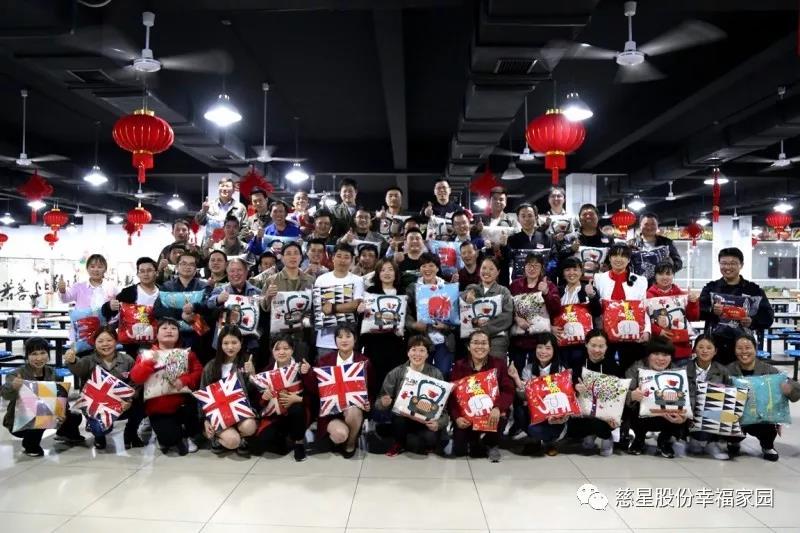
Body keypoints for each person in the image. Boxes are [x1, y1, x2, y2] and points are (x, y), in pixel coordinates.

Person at [130, 318, 203, 455]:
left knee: (194, 425)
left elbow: (198, 372)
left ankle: (186, 434)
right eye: (164, 328)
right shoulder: (146, 355)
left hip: (184, 404)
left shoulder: (187, 354)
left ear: (179, 334)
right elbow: (136, 377)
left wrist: (184, 380)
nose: (169, 331)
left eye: (173, 328)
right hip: (158, 407)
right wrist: (149, 363)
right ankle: (169, 434)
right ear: (156, 334)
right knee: (169, 439)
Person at [64, 326, 145, 450]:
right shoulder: (88, 360)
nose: (105, 344)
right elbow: (78, 368)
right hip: (97, 407)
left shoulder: (127, 360)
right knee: (100, 429)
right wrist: (72, 360)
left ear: (116, 341)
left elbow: (135, 382)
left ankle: (131, 432)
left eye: (109, 340)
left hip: (122, 404)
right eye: (100, 341)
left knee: (142, 404)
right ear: (94, 343)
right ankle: (98, 436)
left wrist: (129, 400)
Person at [1, 337, 84, 457]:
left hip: (47, 413)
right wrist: (13, 386)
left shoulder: (53, 373)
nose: (39, 358)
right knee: (39, 419)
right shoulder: (17, 374)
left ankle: (64, 434)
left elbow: (59, 397)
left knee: (75, 417)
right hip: (21, 421)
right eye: (34, 354)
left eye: (42, 353)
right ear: (27, 356)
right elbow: (5, 394)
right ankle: (30, 445)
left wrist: (62, 413)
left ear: (48, 354)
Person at [726, 334, 800, 461]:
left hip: (762, 419)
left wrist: (790, 389)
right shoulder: (728, 370)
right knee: (727, 422)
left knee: (768, 429)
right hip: (736, 418)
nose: (744, 351)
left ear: (755, 349)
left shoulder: (769, 370)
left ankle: (767, 446)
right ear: (734, 350)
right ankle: (733, 441)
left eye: (748, 347)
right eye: (739, 348)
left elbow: (795, 388)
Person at [302, 325, 373, 458]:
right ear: (335, 341)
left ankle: (351, 443)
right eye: (340, 337)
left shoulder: (364, 362)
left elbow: (370, 388)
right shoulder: (324, 361)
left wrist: (368, 403)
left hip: (353, 409)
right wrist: (307, 373)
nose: (344, 340)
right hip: (331, 412)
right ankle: (341, 438)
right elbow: (315, 390)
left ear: (355, 339)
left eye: (348, 336)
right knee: (340, 435)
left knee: (354, 411)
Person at [376, 335, 449, 456]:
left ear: (427, 354)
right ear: (408, 353)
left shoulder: (436, 374)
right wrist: (383, 403)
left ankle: (408, 439)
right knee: (406, 432)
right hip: (402, 420)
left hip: (425, 421)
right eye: (414, 350)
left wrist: (439, 423)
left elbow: (444, 410)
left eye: (422, 350)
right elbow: (379, 404)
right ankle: (399, 442)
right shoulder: (396, 373)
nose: (417, 354)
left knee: (429, 440)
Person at [699, 247, 774, 366]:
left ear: (741, 265)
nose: (727, 267)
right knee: (715, 376)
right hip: (714, 346)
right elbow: (699, 312)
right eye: (724, 263)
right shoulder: (711, 288)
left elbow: (768, 317)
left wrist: (752, 321)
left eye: (733, 263)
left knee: (742, 376)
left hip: (743, 347)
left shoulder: (753, 289)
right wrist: (712, 310)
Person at [449, 330, 515, 462]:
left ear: (490, 347)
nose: (480, 346)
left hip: (491, 413)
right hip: (467, 414)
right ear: (469, 346)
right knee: (459, 450)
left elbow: (508, 390)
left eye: (484, 343)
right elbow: (452, 395)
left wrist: (498, 407)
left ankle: (492, 444)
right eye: (475, 343)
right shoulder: (459, 365)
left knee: (501, 415)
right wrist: (457, 417)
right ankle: (475, 440)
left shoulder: (499, 364)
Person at [199, 325, 258, 457]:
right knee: (232, 441)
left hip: (240, 411)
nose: (230, 347)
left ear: (241, 342)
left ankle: (241, 437)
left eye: (234, 342)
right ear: (220, 344)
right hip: (218, 414)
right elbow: (203, 395)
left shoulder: (246, 363)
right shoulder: (211, 366)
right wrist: (205, 420)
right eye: (225, 343)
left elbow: (254, 392)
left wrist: (253, 374)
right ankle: (218, 439)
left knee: (249, 426)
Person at [507, 333, 568, 456]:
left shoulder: (561, 371)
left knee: (538, 428)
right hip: (535, 412)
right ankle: (534, 441)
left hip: (554, 416)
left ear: (554, 351)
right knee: (520, 410)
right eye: (540, 347)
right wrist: (516, 377)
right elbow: (524, 394)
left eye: (548, 348)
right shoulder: (528, 369)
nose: (543, 351)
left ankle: (550, 442)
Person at [626, 338, 687, 459]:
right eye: (656, 353)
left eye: (665, 355)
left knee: (681, 411)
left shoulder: (678, 373)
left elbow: (689, 399)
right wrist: (631, 395)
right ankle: (639, 439)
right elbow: (622, 393)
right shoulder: (636, 368)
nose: (660, 358)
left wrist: (684, 417)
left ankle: (664, 440)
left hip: (667, 416)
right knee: (630, 407)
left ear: (671, 357)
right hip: (640, 415)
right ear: (648, 355)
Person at [593, 243, 651, 372]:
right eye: (615, 255)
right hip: (605, 334)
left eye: (623, 256)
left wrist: (647, 330)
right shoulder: (599, 278)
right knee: (607, 370)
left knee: (630, 369)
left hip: (632, 334)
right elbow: (596, 307)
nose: (618, 259)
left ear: (629, 259)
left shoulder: (640, 281)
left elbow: (643, 308)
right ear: (609, 258)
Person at [251, 335, 309, 461]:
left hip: (299, 413)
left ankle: (299, 442)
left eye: (286, 348)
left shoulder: (301, 368)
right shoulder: (267, 371)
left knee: (297, 409)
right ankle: (286, 437)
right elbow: (258, 403)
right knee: (264, 443)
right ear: (272, 351)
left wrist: (298, 399)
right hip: (276, 415)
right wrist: (264, 397)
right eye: (277, 349)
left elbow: (314, 396)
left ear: (292, 350)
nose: (281, 352)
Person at [568, 329, 623, 457]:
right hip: (583, 410)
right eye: (593, 345)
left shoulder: (613, 367)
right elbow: (568, 388)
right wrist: (575, 388)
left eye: (601, 346)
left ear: (607, 347)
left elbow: (620, 395)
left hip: (605, 412)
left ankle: (607, 437)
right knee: (571, 427)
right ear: (586, 344)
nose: (597, 350)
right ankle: (590, 434)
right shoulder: (578, 363)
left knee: (601, 423)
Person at [405, 253, 456, 378]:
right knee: (420, 375)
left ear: (437, 268)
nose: (427, 269)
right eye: (424, 266)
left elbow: (455, 316)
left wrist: (446, 326)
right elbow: (405, 313)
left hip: (444, 340)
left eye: (431, 265)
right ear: (419, 269)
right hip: (421, 339)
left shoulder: (448, 287)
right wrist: (413, 324)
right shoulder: (412, 288)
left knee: (443, 374)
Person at [361, 260, 407, 397]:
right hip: (374, 344)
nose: (387, 273)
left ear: (396, 273)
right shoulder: (371, 291)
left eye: (390, 269)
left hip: (396, 344)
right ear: (377, 273)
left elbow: (406, 317)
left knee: (395, 379)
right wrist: (361, 310)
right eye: (383, 270)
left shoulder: (402, 292)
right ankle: (377, 407)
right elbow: (365, 319)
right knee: (376, 379)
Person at [262, 242, 315, 361]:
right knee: (279, 369)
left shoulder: (310, 280)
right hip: (279, 337)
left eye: (296, 253)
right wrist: (268, 296)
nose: (293, 257)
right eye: (288, 254)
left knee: (301, 368)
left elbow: (314, 307)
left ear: (301, 257)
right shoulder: (272, 280)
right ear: (282, 257)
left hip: (302, 335)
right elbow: (264, 307)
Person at [509, 253, 560, 374]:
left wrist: (546, 293)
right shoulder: (514, 285)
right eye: (529, 265)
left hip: (540, 342)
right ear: (524, 267)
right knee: (516, 373)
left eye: (536, 266)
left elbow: (556, 309)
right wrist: (516, 318)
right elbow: (507, 308)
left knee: (537, 376)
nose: (532, 268)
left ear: (542, 268)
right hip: (518, 339)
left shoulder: (549, 285)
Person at [100, 257, 160, 357]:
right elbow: (108, 312)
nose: (146, 274)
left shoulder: (163, 292)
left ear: (156, 273)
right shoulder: (128, 293)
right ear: (138, 274)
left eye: (149, 270)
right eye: (142, 271)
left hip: (158, 342)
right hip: (132, 343)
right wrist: (109, 306)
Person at [312, 244, 364, 357]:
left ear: (352, 260)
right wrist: (344, 306)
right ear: (333, 258)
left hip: (349, 340)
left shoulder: (357, 280)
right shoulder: (321, 279)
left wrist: (333, 308)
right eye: (339, 256)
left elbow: (356, 304)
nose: (342, 260)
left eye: (346, 257)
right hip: (325, 341)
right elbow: (319, 307)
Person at [685, 334, 731, 460]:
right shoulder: (684, 369)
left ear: (715, 351)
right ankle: (691, 438)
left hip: (713, 413)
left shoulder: (723, 371)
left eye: (709, 348)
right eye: (701, 347)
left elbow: (730, 394)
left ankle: (712, 442)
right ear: (694, 349)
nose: (704, 351)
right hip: (689, 413)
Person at [207, 257, 267, 354]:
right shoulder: (220, 290)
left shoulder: (257, 292)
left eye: (239, 270)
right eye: (232, 271)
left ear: (246, 272)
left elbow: (264, 317)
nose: (235, 274)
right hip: (225, 342)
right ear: (227, 273)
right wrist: (218, 299)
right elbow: (209, 304)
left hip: (250, 342)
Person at [646, 262, 699, 366]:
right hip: (658, 350)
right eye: (661, 274)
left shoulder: (682, 295)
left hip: (681, 349)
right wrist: (657, 330)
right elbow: (643, 320)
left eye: (668, 274)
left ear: (673, 275)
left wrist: (693, 303)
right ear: (655, 276)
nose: (665, 277)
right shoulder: (647, 296)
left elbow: (693, 317)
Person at [461, 257, 514, 359]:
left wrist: (482, 329)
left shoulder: (504, 291)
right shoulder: (471, 289)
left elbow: (507, 317)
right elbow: (461, 308)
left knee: (495, 364)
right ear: (479, 270)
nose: (487, 271)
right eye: (484, 268)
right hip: (473, 338)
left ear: (498, 272)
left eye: (491, 269)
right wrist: (466, 298)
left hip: (497, 339)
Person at [555, 203, 613, 270]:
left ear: (598, 217)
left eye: (591, 214)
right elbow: (559, 258)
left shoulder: (608, 239)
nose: (588, 216)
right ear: (579, 219)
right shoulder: (569, 238)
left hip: (601, 275)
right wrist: (571, 249)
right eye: (584, 214)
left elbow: (614, 257)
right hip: (575, 276)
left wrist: (608, 266)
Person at [195, 177, 247, 245]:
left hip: (231, 247)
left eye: (227, 186)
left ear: (233, 190)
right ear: (218, 188)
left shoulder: (240, 207)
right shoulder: (209, 205)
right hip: (211, 246)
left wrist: (235, 242)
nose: (224, 189)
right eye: (222, 186)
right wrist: (204, 211)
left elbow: (245, 228)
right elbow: (199, 222)